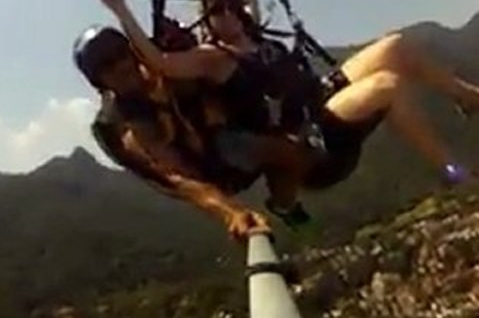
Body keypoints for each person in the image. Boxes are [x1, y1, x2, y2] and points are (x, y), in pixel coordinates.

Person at [97, 0, 479, 212]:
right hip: (309, 139)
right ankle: (454, 174)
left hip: (317, 99)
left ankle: (469, 98)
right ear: (207, 21)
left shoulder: (260, 39)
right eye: (216, 10)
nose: (227, 13)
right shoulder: (213, 57)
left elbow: (246, 4)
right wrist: (120, 8)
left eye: (232, 4)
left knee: (397, 46)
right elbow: (160, 63)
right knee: (387, 85)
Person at [73, 24, 317, 239]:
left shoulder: (164, 62)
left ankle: (287, 206)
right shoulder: (124, 129)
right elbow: (174, 180)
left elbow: (214, 64)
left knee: (293, 154)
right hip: (206, 166)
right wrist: (230, 213)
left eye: (121, 54)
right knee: (282, 153)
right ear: (98, 80)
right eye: (106, 65)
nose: (121, 65)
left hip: (226, 129)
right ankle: (291, 213)